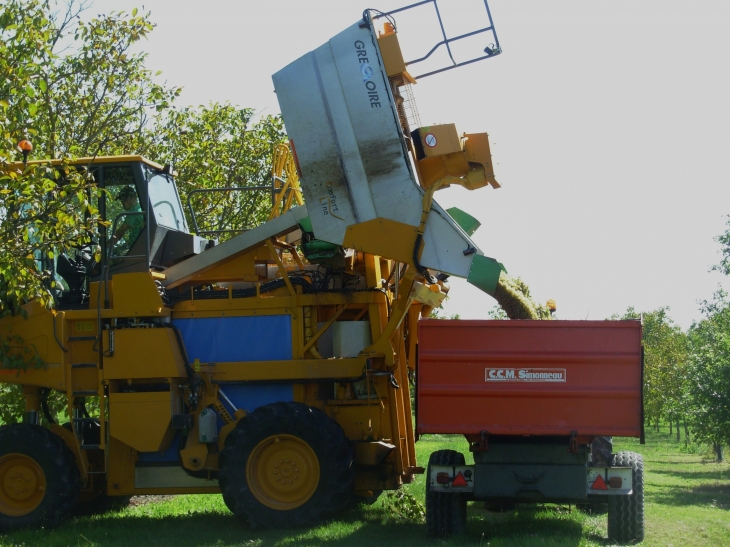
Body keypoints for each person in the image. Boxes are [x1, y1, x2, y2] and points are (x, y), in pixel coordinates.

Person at [110, 186, 144, 255]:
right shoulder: (140, 208)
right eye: (121, 200)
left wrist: (105, 246)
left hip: (134, 246)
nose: (122, 203)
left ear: (133, 198)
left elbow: (120, 232)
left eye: (124, 199)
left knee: (113, 255)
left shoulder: (133, 212)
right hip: (138, 245)